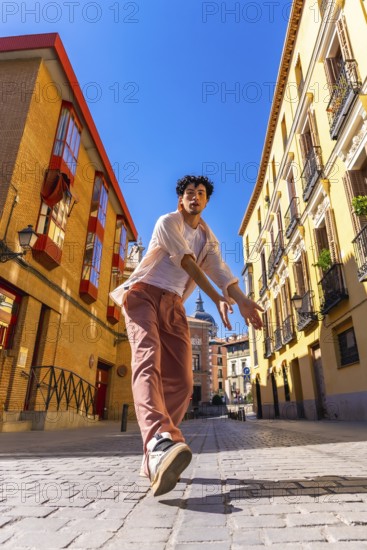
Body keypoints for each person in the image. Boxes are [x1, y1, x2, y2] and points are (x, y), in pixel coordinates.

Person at [110, 175, 263, 497]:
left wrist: (245, 301)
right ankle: (159, 441)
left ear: (206, 201)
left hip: (174, 304)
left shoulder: (207, 238)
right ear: (181, 200)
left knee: (181, 380)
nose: (195, 197)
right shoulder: (168, 222)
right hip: (142, 295)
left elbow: (220, 271)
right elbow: (189, 265)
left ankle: (153, 456)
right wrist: (218, 298)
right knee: (148, 358)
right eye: (190, 193)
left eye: (201, 193)